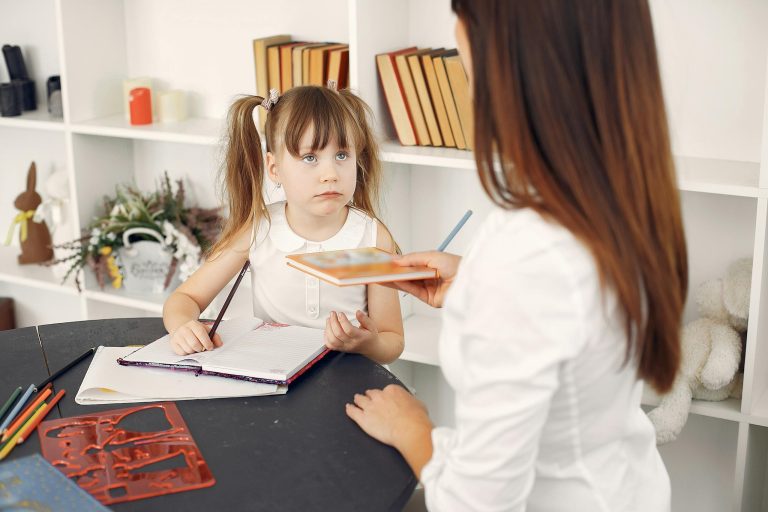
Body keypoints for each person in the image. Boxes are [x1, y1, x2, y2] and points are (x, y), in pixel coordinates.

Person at [346, 1, 687, 510]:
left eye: (465, 64)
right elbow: (575, 327)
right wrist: (479, 287)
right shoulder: (624, 194)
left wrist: (414, 426)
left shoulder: (526, 256)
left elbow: (474, 503)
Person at [162, 84, 404, 365]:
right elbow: (184, 298)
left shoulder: (373, 237)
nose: (330, 174)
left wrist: (369, 344)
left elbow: (393, 340)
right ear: (274, 168)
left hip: (345, 379)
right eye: (310, 158)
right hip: (273, 377)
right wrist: (182, 326)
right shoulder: (259, 229)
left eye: (341, 155)